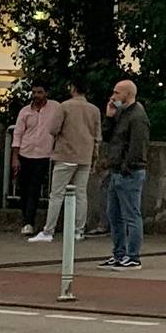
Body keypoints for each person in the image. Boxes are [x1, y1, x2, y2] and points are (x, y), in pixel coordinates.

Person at [99, 78, 149, 269]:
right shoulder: (121, 114)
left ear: (128, 95)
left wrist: (127, 167)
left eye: (117, 93)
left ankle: (133, 255)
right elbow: (108, 137)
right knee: (114, 214)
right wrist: (109, 117)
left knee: (131, 215)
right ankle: (119, 253)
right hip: (117, 171)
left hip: (129, 172)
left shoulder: (138, 116)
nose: (113, 97)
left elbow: (138, 146)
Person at [45, 80, 102, 241]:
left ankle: (49, 230)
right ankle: (79, 230)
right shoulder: (94, 110)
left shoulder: (64, 107)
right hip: (85, 156)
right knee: (81, 194)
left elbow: (53, 129)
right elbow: (97, 135)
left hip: (66, 154)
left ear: (73, 88)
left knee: (57, 194)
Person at [11, 82, 57, 238]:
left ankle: (29, 221)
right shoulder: (25, 111)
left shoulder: (54, 108)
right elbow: (17, 134)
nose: (37, 95)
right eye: (34, 92)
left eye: (40, 92)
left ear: (46, 93)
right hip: (26, 153)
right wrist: (15, 157)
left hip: (43, 155)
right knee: (23, 189)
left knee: (35, 188)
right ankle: (26, 218)